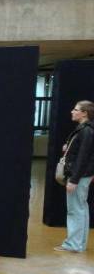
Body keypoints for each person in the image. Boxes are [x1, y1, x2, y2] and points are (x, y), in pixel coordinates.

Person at [55, 100, 94, 253]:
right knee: (81, 208)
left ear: (84, 113)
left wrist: (74, 180)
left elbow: (83, 158)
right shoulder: (86, 129)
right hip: (83, 175)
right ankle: (79, 244)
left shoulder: (86, 131)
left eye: (76, 109)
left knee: (75, 210)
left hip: (79, 176)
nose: (72, 111)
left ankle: (73, 245)